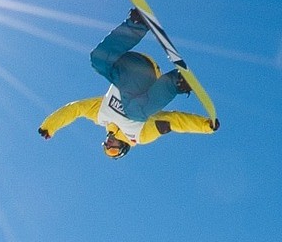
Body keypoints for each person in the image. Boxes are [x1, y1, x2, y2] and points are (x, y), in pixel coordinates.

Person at [38, 10, 217, 159]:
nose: (108, 144)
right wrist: (205, 126)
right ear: (123, 148)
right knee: (134, 112)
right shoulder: (139, 136)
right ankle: (177, 82)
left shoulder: (100, 115)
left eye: (105, 147)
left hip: (127, 66)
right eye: (112, 149)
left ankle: (136, 24)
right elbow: (173, 120)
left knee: (98, 61)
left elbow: (74, 109)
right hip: (147, 78)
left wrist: (49, 126)